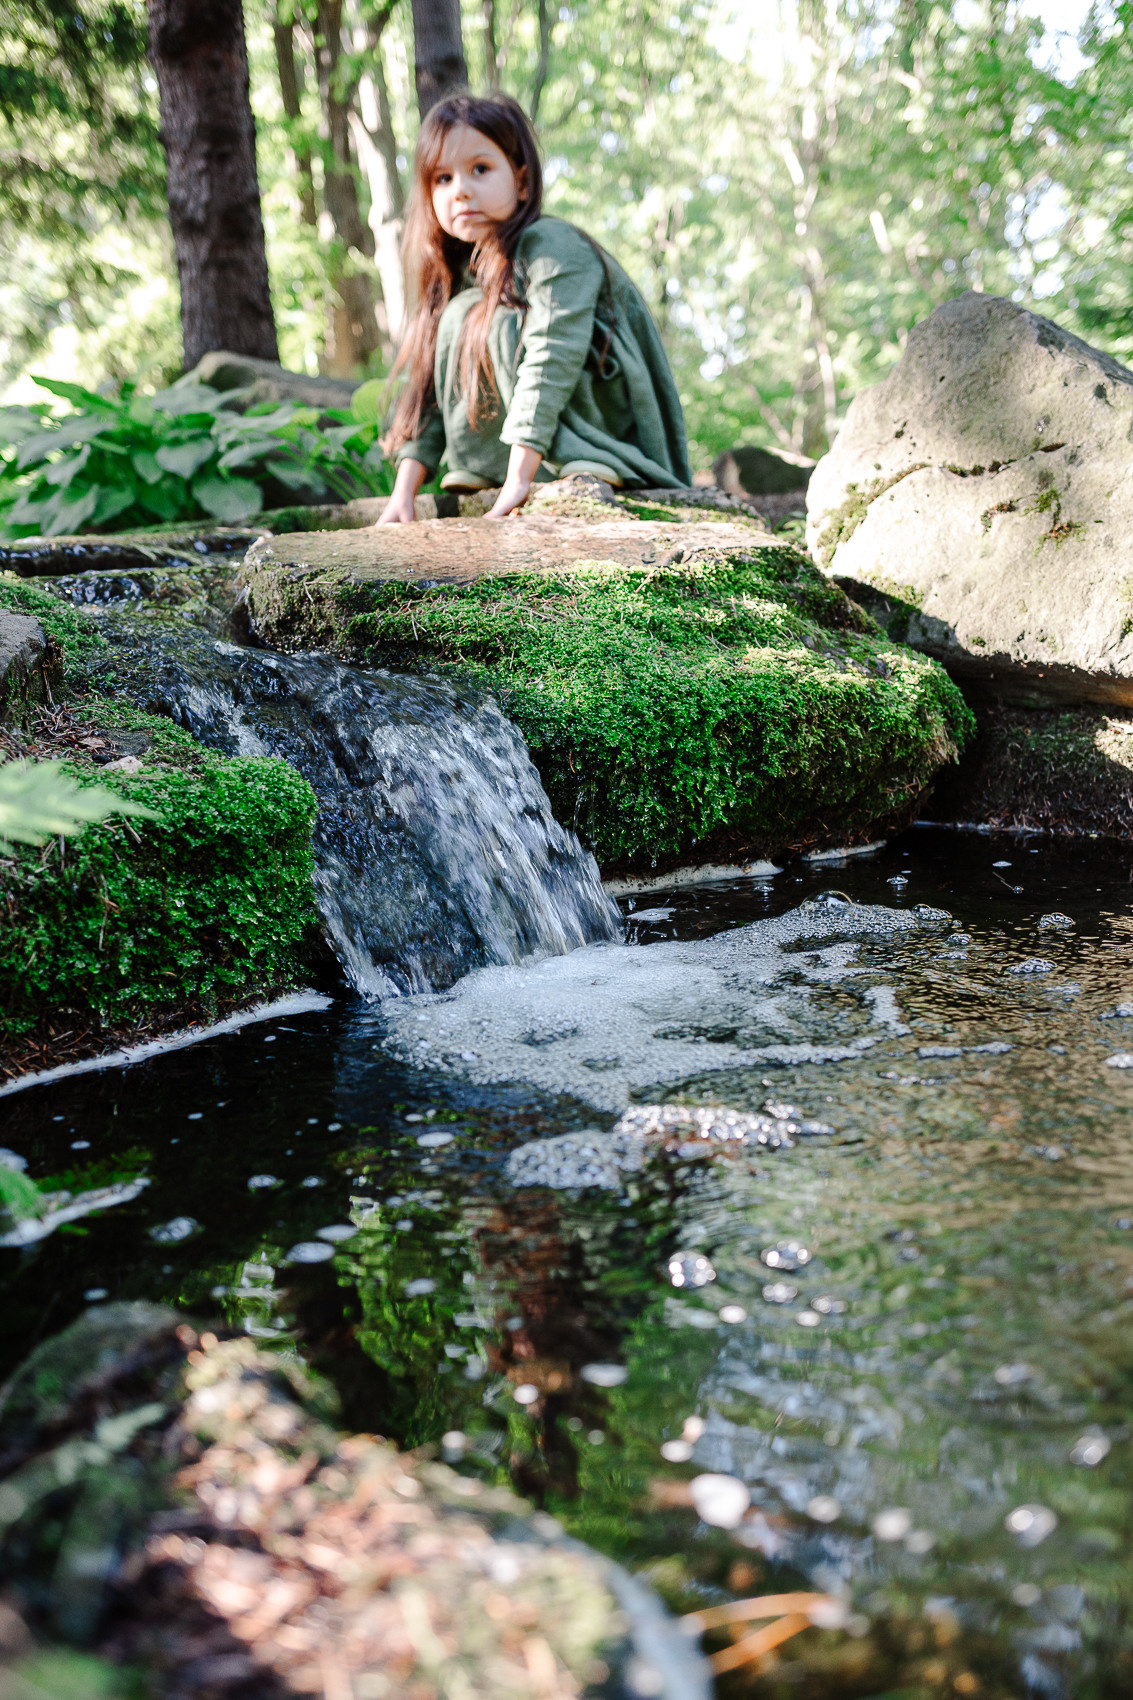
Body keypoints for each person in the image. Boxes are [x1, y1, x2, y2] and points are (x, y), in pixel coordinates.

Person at [379, 92, 692, 524]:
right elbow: (428, 389)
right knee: (462, 314)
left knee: (494, 320)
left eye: (480, 169)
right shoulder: (463, 275)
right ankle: (486, 461)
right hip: (529, 441)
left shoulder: (552, 242)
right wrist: (403, 494)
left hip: (603, 424)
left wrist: (519, 478)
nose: (461, 190)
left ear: (522, 181)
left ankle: (575, 456)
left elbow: (553, 351)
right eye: (442, 178)